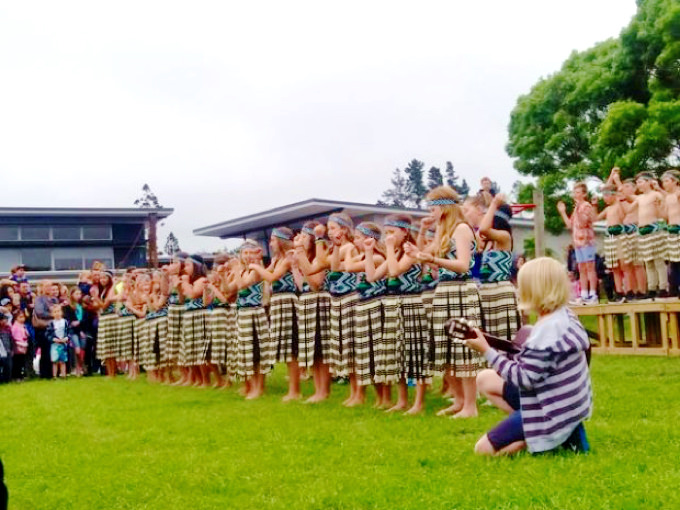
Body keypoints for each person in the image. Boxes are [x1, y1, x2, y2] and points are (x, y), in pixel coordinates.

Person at [470, 257, 592, 456]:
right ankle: (542, 435)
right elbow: (538, 365)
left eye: (522, 286)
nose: (518, 290)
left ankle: (541, 438)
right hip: (564, 402)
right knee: (485, 379)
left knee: (482, 450)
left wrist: (486, 350)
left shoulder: (547, 332)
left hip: (551, 411)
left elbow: (523, 379)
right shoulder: (565, 315)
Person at [407, 185, 483, 418]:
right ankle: (459, 400)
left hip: (461, 289)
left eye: (432, 206)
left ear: (444, 207)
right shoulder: (443, 230)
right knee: (446, 348)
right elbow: (426, 256)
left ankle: (471, 406)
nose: (430, 211)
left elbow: (462, 265)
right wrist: (419, 242)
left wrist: (433, 260)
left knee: (463, 348)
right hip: (445, 290)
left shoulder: (461, 229)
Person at [250, 227, 301, 401]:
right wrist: (258, 261)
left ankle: (295, 391)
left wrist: (256, 265)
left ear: (280, 241)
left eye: (272, 240)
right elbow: (267, 274)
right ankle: (292, 390)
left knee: (291, 350)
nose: (270, 243)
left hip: (287, 301)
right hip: (278, 302)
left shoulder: (288, 259)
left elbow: (272, 278)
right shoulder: (276, 259)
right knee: (286, 349)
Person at [347, 221, 386, 407]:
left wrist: (347, 251)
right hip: (363, 306)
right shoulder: (364, 256)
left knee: (378, 354)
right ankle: (379, 397)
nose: (355, 242)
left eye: (357, 238)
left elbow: (348, 266)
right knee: (369, 354)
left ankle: (385, 397)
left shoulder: (377, 258)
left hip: (376, 304)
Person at [293, 220, 332, 403]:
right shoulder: (306, 257)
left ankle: (324, 390)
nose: (300, 239)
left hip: (319, 302)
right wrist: (296, 266)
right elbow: (302, 286)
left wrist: (300, 255)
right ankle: (317, 390)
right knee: (313, 351)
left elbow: (316, 284)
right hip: (307, 302)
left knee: (321, 349)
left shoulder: (318, 257)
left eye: (303, 236)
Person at [232, 240, 273, 399]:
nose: (247, 256)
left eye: (250, 253)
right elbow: (229, 289)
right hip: (243, 314)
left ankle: (259, 387)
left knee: (257, 352)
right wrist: (223, 276)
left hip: (254, 313)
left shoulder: (256, 270)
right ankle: (251, 386)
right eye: (245, 253)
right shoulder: (243, 271)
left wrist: (235, 270)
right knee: (247, 352)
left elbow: (242, 285)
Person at [557, 182, 598, 304]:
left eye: (578, 192)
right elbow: (570, 224)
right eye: (574, 192)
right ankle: (583, 293)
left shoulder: (586, 206)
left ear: (584, 194)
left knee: (590, 267)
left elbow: (584, 222)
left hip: (587, 241)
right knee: (581, 268)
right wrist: (563, 212)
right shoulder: (576, 208)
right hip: (578, 243)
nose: (576, 194)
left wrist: (579, 209)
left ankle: (593, 294)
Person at [634, 171, 669, 299]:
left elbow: (666, 204)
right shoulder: (639, 198)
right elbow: (628, 207)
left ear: (648, 182)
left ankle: (663, 287)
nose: (638, 184)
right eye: (637, 182)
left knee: (659, 260)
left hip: (654, 229)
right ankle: (652, 287)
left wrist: (658, 189)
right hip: (643, 232)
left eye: (641, 181)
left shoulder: (656, 194)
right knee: (648, 262)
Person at [597, 185, 626, 301]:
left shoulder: (619, 205)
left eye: (607, 195)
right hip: (610, 237)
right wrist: (594, 206)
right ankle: (619, 291)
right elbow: (596, 218)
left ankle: (628, 290)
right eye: (603, 195)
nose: (605, 198)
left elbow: (623, 215)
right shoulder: (607, 209)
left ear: (613, 195)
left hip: (619, 235)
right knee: (614, 267)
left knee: (624, 264)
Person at [33, 281, 59, 379]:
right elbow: (39, 312)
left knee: (53, 350)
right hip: (43, 328)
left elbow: (59, 311)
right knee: (45, 351)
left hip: (54, 327)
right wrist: (52, 314)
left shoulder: (54, 299)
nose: (49, 288)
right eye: (46, 286)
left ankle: (52, 373)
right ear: (42, 288)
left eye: (50, 286)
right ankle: (44, 374)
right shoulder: (39, 299)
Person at [661, 169, 680, 297]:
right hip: (671, 230)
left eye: (667, 181)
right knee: (673, 261)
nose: (664, 184)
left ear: (675, 181)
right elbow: (664, 215)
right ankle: (673, 288)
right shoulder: (668, 197)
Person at [47, 304, 70, 379]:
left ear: (61, 312)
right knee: (55, 361)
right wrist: (53, 339)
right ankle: (54, 375)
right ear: (52, 314)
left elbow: (68, 331)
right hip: (55, 344)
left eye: (58, 311)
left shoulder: (65, 322)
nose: (57, 313)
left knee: (63, 360)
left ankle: (63, 375)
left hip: (63, 343)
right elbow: (48, 334)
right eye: (55, 312)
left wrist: (66, 338)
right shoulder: (51, 323)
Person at [10, 311, 29, 380]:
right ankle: (16, 376)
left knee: (21, 361)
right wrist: (20, 343)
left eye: (23, 317)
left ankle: (21, 375)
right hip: (17, 347)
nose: (22, 319)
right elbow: (14, 337)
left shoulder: (23, 326)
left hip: (23, 346)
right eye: (20, 317)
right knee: (16, 362)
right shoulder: (15, 327)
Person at [0, 315, 12, 384]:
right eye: (4, 320)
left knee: (8, 366)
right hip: (1, 352)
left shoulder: (8, 329)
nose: (6, 321)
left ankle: (7, 380)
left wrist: (12, 349)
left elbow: (11, 340)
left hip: (8, 350)